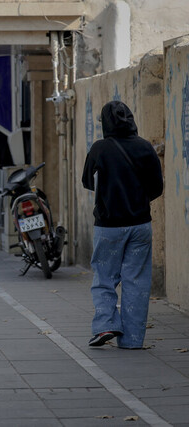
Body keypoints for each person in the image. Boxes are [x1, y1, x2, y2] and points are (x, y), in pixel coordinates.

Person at [82, 100, 163, 349]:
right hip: (140, 225)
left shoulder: (99, 149)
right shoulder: (145, 147)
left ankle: (106, 325)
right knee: (136, 282)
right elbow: (157, 187)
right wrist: (136, 201)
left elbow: (87, 181)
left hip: (108, 226)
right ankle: (132, 340)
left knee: (104, 277)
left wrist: (110, 194)